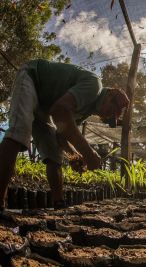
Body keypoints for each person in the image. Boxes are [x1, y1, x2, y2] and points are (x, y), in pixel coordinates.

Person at [0, 59, 129, 211]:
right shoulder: (95, 85)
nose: (109, 116)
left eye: (113, 117)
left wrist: (73, 155)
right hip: (32, 78)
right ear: (110, 93)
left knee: (54, 154)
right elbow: (60, 111)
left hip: (44, 107)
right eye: (112, 109)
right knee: (18, 133)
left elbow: (61, 134)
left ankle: (58, 204)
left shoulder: (85, 111)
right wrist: (88, 153)